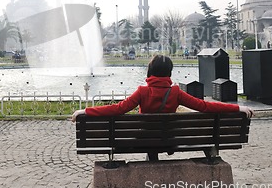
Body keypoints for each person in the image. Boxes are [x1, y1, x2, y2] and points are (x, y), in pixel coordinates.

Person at [71, 55, 254, 160]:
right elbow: (204, 106)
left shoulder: (142, 91)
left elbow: (118, 109)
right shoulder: (176, 92)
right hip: (169, 140)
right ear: (169, 72)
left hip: (144, 140)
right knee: (161, 132)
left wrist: (85, 111)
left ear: (150, 71)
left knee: (149, 133)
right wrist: (236, 108)